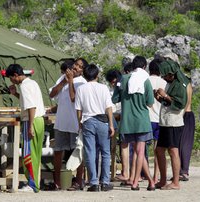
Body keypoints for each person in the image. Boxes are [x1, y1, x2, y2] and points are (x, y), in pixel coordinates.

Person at [112, 55, 155, 191]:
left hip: (127, 121)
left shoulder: (123, 80)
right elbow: (150, 102)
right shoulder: (146, 81)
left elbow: (115, 99)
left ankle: (149, 182)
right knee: (140, 152)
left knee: (136, 152)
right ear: (144, 67)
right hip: (142, 121)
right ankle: (136, 181)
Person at [4, 64, 45, 193]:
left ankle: (32, 184)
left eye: (11, 78)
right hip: (40, 120)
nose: (11, 81)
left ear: (16, 75)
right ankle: (35, 183)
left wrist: (30, 126)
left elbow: (31, 107)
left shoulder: (24, 86)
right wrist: (15, 94)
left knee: (28, 154)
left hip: (31, 120)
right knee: (36, 154)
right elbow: (29, 102)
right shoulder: (32, 83)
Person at [49, 58, 88, 191]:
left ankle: (78, 181)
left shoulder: (82, 83)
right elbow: (52, 94)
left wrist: (70, 81)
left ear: (83, 71)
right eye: (75, 64)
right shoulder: (62, 78)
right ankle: (57, 182)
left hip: (75, 123)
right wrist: (64, 81)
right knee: (58, 151)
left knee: (77, 152)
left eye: (80, 66)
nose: (76, 67)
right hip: (61, 122)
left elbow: (73, 99)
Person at [75, 64, 115, 192]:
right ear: (97, 75)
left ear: (85, 75)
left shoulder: (81, 89)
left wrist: (79, 122)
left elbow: (78, 109)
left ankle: (93, 182)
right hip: (103, 120)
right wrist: (111, 124)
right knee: (105, 152)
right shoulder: (103, 88)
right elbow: (108, 107)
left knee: (90, 152)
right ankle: (105, 181)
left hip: (88, 120)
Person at [155, 60, 188, 190]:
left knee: (173, 151)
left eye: (165, 75)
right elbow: (169, 101)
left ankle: (175, 182)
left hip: (174, 122)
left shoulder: (179, 85)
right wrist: (160, 98)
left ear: (171, 73)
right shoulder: (171, 83)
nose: (163, 77)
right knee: (159, 150)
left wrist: (165, 95)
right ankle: (163, 180)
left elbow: (180, 104)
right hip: (165, 121)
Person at [148, 58, 167, 183]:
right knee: (158, 150)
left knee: (141, 148)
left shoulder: (146, 81)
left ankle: (141, 175)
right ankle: (156, 176)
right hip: (159, 118)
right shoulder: (164, 82)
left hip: (147, 118)